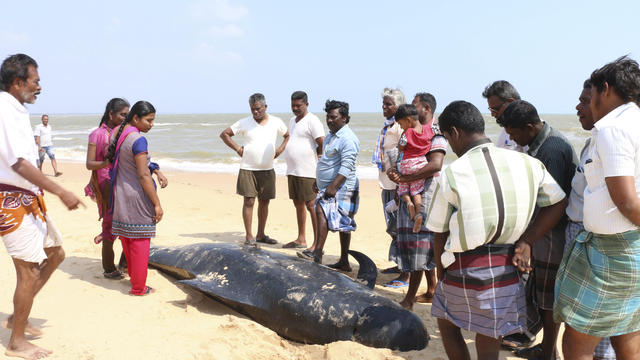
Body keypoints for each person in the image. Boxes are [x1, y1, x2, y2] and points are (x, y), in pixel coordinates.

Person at [426, 100, 567, 360]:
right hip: (507, 265)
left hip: (465, 263)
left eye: (446, 137)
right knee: (492, 328)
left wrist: (441, 271)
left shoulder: (452, 173)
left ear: (454, 132)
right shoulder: (528, 163)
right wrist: (527, 241)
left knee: (446, 321)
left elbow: (439, 230)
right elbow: (558, 202)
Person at [555, 56, 640, 360]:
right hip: (628, 247)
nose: (588, 103)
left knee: (579, 336)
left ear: (605, 88)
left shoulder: (613, 129)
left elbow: (627, 201)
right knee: (627, 329)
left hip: (612, 252)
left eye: (590, 96)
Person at [0, 53, 83, 359]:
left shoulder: (17, 109)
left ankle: (15, 318)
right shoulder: (4, 109)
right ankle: (16, 341)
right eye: (36, 81)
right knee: (28, 272)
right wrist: (61, 190)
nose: (40, 87)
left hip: (29, 197)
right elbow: (18, 163)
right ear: (18, 81)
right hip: (10, 200)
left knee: (56, 253)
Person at [499, 100, 577, 359]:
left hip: (553, 230)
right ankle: (544, 346)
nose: (514, 140)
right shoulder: (539, 143)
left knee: (547, 294)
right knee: (539, 289)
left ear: (531, 127)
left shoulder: (551, 149)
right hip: (545, 228)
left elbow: (553, 203)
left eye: (515, 134)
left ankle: (549, 352)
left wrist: (528, 241)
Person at [563, 80, 616, 360]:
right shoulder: (591, 142)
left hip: (593, 237)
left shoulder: (611, 144)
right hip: (579, 235)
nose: (578, 106)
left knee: (596, 320)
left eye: (586, 100)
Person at [387, 92, 446, 308]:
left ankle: (410, 298)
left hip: (427, 191)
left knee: (419, 245)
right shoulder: (413, 131)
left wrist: (404, 177)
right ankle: (431, 289)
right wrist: (395, 171)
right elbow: (403, 156)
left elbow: (435, 165)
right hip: (412, 185)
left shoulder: (436, 132)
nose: (411, 109)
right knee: (423, 244)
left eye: (415, 105)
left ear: (427, 109)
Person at [106, 101, 162, 296]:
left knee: (128, 239)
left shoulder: (117, 133)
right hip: (136, 196)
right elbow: (143, 175)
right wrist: (156, 204)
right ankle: (139, 287)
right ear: (136, 118)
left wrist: (156, 169)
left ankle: (135, 279)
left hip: (119, 193)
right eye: (149, 120)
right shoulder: (138, 140)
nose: (152, 124)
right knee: (140, 242)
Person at [297, 100, 359, 271]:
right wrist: (319, 181)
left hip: (343, 187)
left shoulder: (348, 138)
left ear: (344, 118)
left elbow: (347, 166)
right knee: (343, 226)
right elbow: (326, 161)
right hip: (328, 186)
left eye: (333, 117)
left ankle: (317, 253)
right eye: (328, 117)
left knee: (321, 212)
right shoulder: (331, 135)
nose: (329, 120)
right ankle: (344, 261)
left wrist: (333, 186)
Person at [220, 93, 289, 245]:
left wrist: (280, 150)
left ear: (265, 107)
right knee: (249, 201)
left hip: (268, 169)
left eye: (258, 109)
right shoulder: (244, 122)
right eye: (252, 109)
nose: (255, 112)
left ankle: (261, 234)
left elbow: (288, 135)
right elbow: (224, 134)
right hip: (248, 168)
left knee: (265, 202)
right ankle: (249, 236)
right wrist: (238, 149)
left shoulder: (276, 122)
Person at [85, 98, 130, 279]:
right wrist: (107, 162)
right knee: (110, 227)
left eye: (127, 115)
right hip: (106, 185)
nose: (125, 119)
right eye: (122, 115)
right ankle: (109, 269)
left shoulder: (124, 132)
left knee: (129, 224)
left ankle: (125, 265)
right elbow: (89, 164)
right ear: (111, 114)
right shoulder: (97, 134)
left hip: (123, 183)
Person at [372, 88, 408, 287]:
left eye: (389, 104)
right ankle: (398, 264)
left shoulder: (400, 128)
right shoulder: (388, 126)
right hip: (386, 184)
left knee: (400, 229)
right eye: (384, 104)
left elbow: (401, 160)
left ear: (399, 106)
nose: (384, 107)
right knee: (392, 228)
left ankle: (405, 273)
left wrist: (397, 191)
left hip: (396, 188)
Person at [282, 91, 324, 250]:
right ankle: (301, 239)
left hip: (308, 171)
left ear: (306, 104)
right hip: (293, 170)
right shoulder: (292, 120)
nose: (295, 108)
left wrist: (320, 156)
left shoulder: (312, 120)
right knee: (298, 203)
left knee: (311, 205)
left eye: (298, 105)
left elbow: (321, 141)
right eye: (293, 105)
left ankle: (316, 244)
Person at [394, 104, 429, 228]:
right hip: (421, 164)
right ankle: (418, 213)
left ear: (408, 120)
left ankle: (409, 203)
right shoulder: (427, 130)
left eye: (400, 124)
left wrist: (400, 144)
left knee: (403, 187)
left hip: (407, 163)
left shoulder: (408, 132)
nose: (401, 127)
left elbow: (401, 146)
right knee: (416, 191)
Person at [482, 80, 526, 152]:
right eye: (491, 110)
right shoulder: (506, 130)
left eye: (495, 109)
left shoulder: (530, 131)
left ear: (511, 102)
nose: (493, 114)